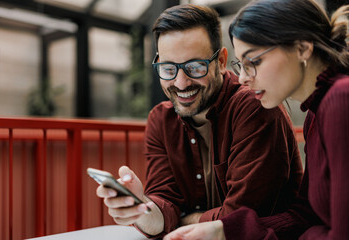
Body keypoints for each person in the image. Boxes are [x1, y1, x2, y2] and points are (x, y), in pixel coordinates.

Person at [96, 4, 304, 238]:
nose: (181, 83)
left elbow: (241, 219)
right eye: (168, 68)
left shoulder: (254, 106)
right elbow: (164, 204)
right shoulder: (160, 119)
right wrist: (141, 209)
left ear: (222, 61)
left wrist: (184, 218)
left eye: (195, 67)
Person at [164, 0, 349, 239]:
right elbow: (306, 215)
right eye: (241, 64)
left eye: (254, 62)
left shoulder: (340, 99)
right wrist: (223, 230)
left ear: (303, 48)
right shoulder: (316, 112)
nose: (242, 78)